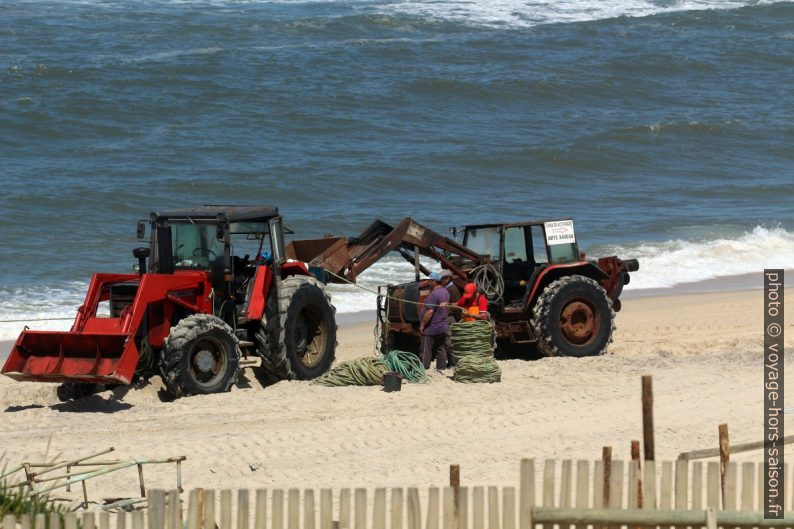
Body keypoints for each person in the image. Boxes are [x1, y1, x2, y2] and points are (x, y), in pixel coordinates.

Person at [420, 271, 451, 371]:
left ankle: (424, 368)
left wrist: (422, 325)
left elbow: (429, 312)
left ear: (434, 281)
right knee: (440, 347)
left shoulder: (433, 294)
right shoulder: (445, 291)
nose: (428, 282)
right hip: (442, 326)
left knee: (425, 348)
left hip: (432, 326)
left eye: (429, 280)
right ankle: (441, 367)